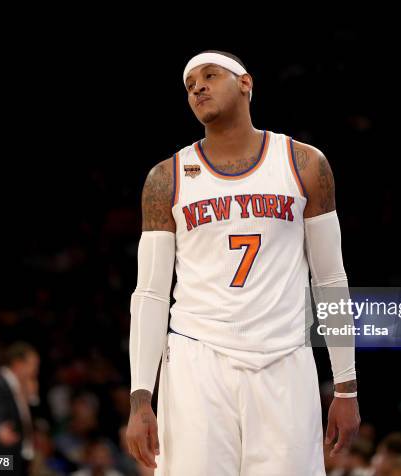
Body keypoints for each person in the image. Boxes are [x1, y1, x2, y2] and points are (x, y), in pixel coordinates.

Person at [125, 50, 360, 475]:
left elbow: (330, 278)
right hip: (198, 359)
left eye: (210, 75)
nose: (198, 86)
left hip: (284, 356)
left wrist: (346, 387)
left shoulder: (304, 163)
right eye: (190, 82)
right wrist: (141, 395)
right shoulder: (167, 177)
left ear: (246, 83)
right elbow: (150, 292)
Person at [0, 342, 40, 475]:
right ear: (18, 364)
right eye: (33, 364)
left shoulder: (20, 386)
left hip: (17, 457)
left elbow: (26, 419)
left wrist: (31, 397)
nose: (35, 369)